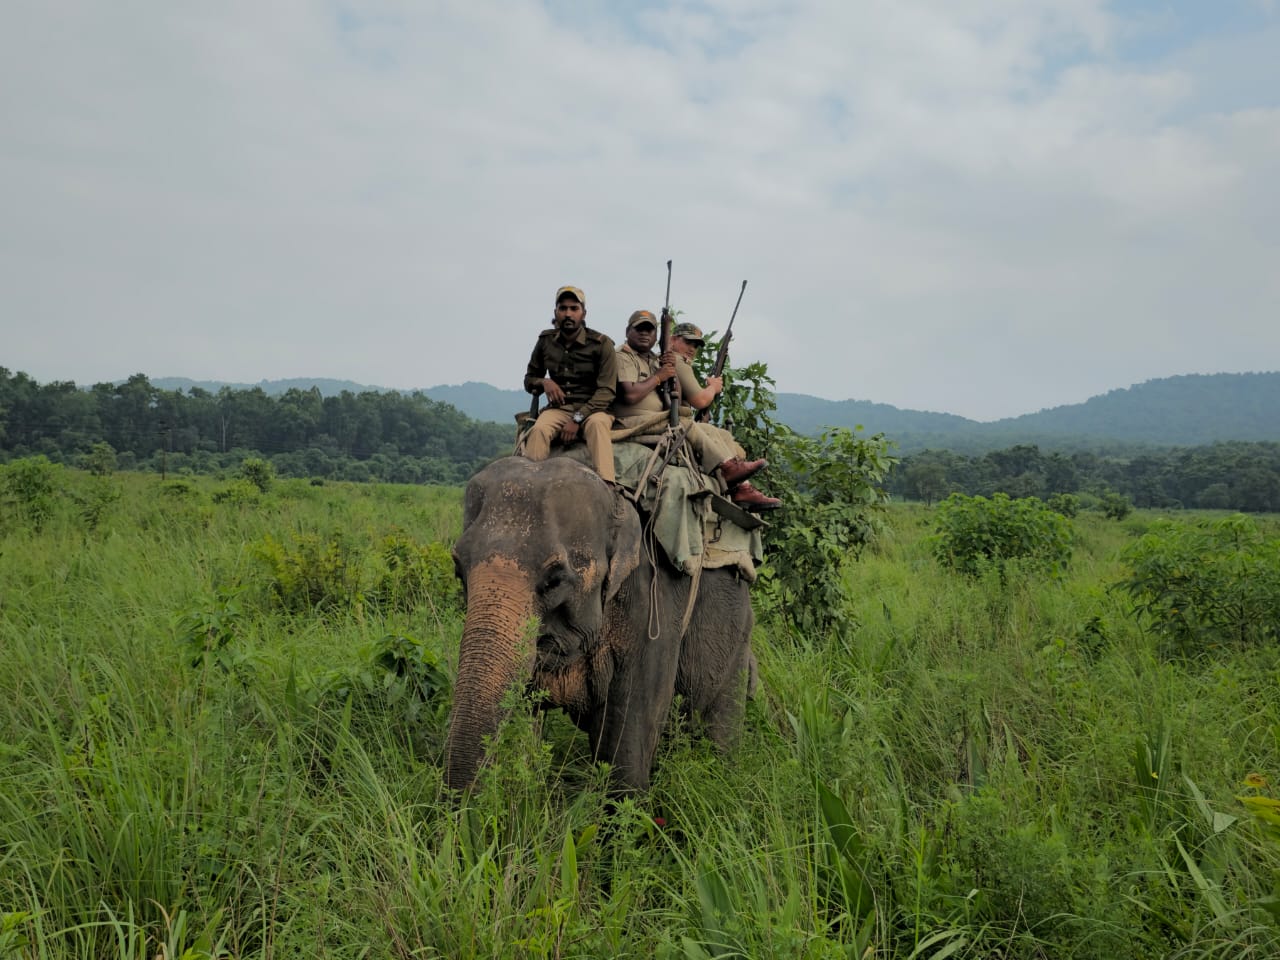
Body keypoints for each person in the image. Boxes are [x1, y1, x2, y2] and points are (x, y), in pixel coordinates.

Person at [615, 311, 779, 511]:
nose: (692, 349)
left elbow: (672, 398)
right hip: (636, 421)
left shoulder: (653, 360)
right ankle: (727, 468)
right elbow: (699, 400)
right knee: (686, 425)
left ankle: (740, 485)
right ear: (673, 339)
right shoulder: (626, 357)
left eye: (696, 345)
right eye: (688, 342)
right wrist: (712, 387)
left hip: (656, 417)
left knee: (717, 432)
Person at [521, 285, 618, 484]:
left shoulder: (601, 344)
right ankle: (530, 486)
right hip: (559, 408)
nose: (568, 314)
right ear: (555, 312)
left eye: (574, 308)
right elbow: (529, 378)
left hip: (593, 409)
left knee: (598, 426)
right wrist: (544, 381)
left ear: (583, 313)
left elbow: (606, 391)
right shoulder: (546, 341)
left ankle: (608, 487)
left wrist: (577, 418)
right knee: (538, 430)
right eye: (562, 308)